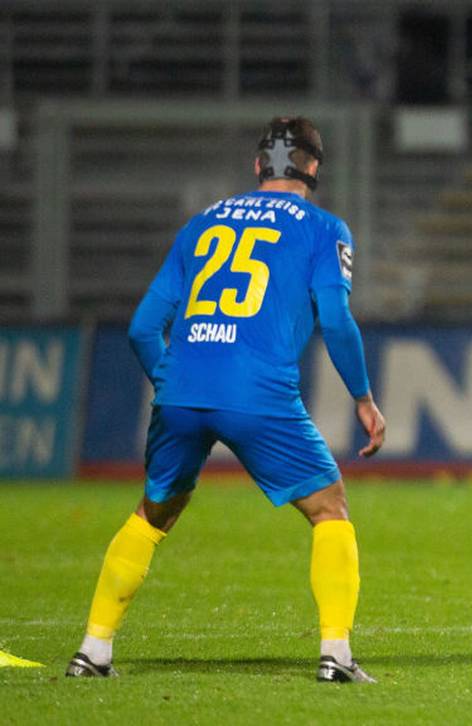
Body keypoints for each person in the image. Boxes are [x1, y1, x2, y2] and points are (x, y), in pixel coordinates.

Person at [65, 117, 386, 683]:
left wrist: (171, 385)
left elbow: (143, 328)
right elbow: (335, 320)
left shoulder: (200, 224)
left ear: (258, 165)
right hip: (258, 390)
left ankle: (92, 651)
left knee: (151, 514)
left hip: (182, 387)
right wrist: (362, 397)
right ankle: (336, 657)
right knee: (329, 506)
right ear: (313, 167)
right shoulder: (323, 228)